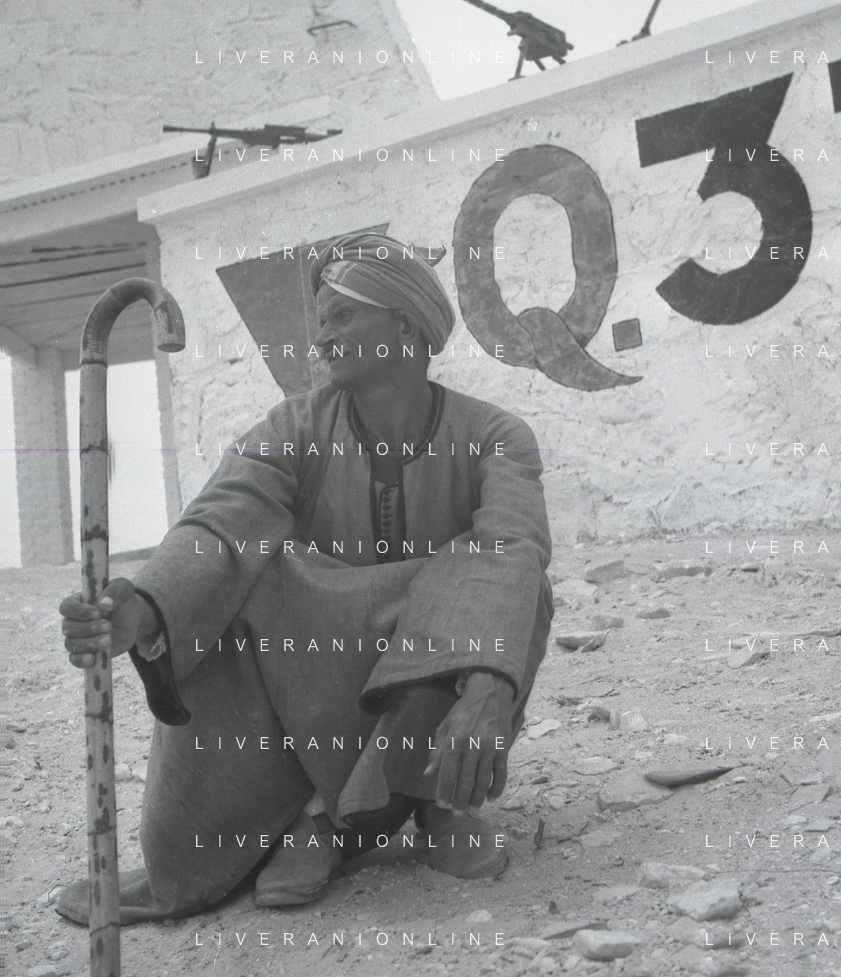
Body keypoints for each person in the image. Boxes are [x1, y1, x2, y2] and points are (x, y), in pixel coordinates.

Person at [56, 232, 554, 924]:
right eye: (320, 322)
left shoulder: (497, 435)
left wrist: (492, 682)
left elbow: (512, 541)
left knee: (511, 584)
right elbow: (222, 520)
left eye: (342, 316)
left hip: (439, 666)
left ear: (406, 326)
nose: (322, 338)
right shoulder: (292, 426)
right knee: (237, 577)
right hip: (320, 681)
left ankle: (439, 802)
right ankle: (317, 820)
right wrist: (146, 605)